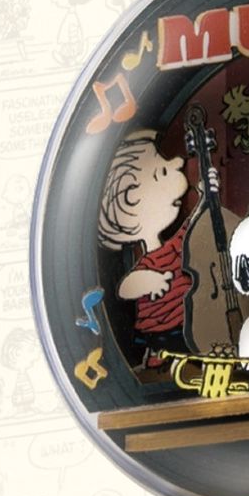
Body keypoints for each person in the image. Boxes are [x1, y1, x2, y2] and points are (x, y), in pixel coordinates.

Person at [96, 129, 190, 364]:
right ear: (130, 199)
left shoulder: (176, 245)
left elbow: (194, 226)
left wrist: (210, 191)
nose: (178, 163)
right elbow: (125, 288)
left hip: (189, 325)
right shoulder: (148, 262)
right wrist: (150, 280)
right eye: (162, 172)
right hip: (162, 332)